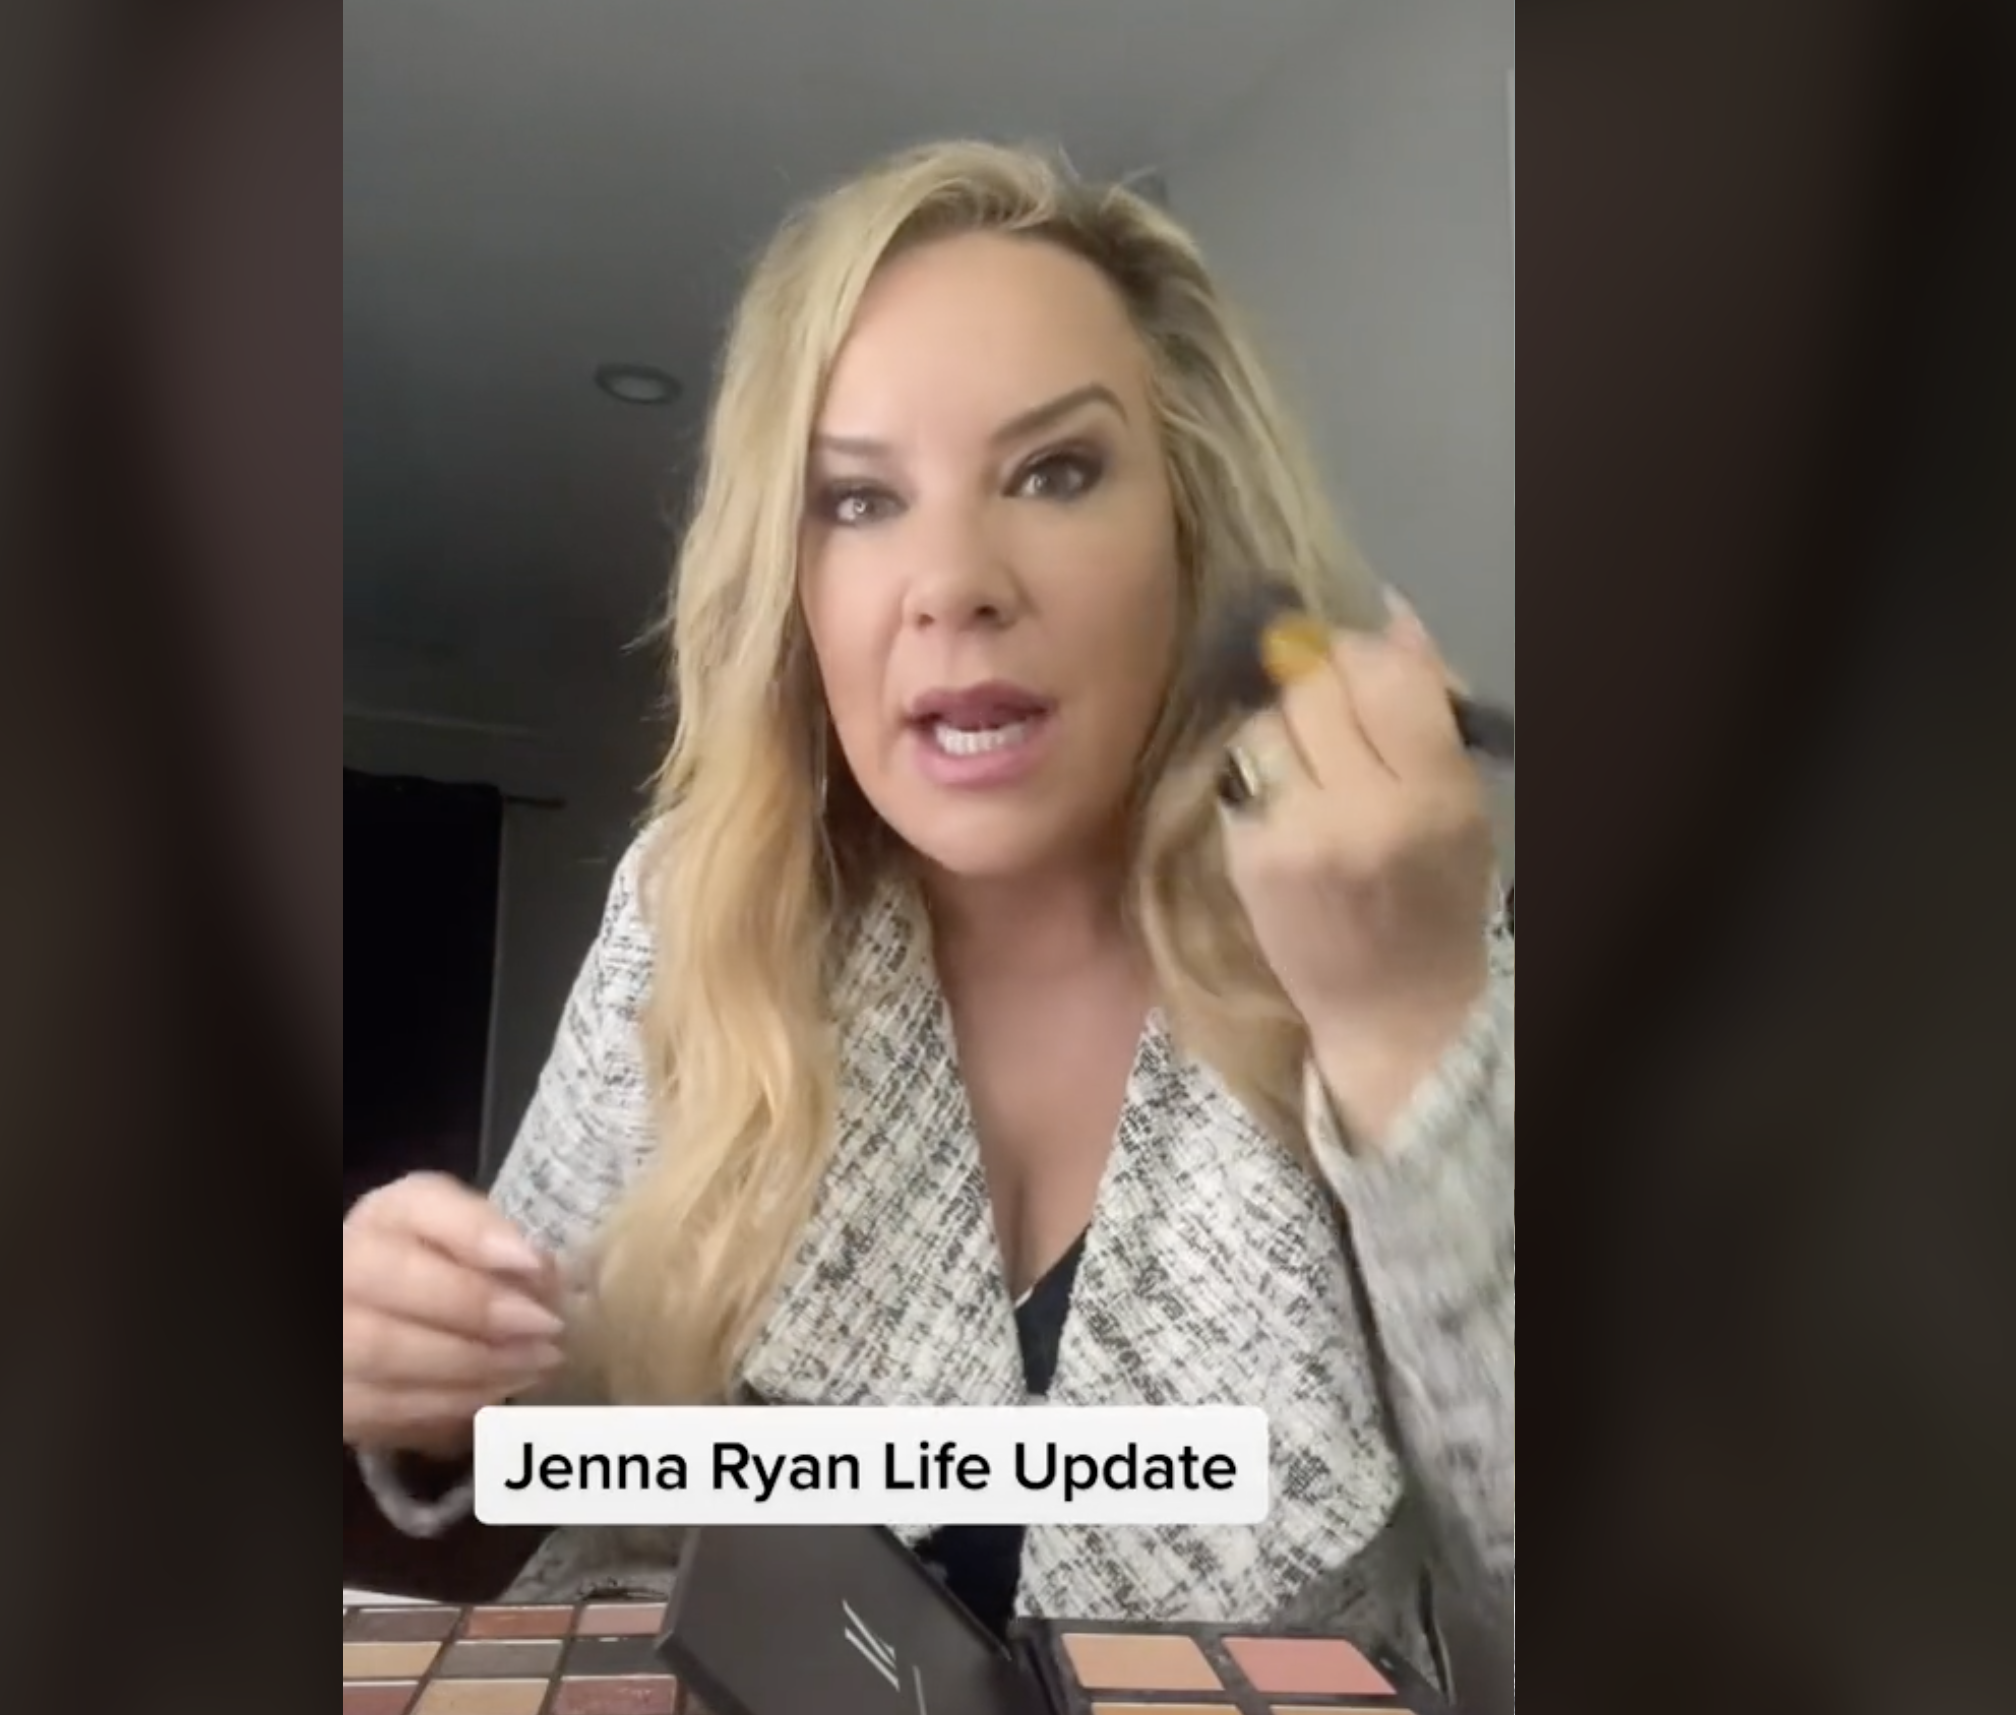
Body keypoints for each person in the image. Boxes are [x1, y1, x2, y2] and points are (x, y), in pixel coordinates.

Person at [340, 138, 1514, 1692]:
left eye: (1053, 471)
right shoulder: (693, 905)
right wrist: (422, 1380)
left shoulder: (1392, 923)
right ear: (786, 581)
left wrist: (1409, 1035)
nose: (952, 580)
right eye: (857, 498)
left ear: (1193, 533)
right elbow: (552, 1442)